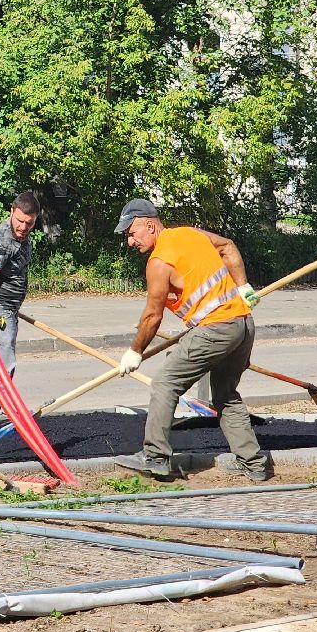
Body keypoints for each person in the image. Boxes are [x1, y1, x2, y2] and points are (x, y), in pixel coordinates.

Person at [111, 198, 271, 482]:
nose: (130, 241)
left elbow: (152, 316)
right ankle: (254, 463)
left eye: (131, 233)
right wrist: (242, 285)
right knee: (225, 395)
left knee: (165, 383)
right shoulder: (189, 233)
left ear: (149, 225)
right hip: (244, 324)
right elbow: (228, 246)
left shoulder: (159, 261)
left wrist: (134, 352)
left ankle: (155, 456)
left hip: (216, 329)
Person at [0, 191, 40, 416]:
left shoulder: (22, 236)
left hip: (10, 310)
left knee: (0, 365)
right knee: (1, 366)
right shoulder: (0, 241)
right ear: (11, 212)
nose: (23, 227)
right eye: (20, 220)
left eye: (29, 223)